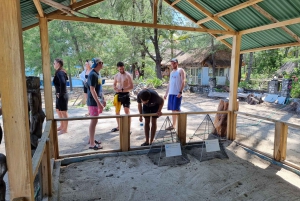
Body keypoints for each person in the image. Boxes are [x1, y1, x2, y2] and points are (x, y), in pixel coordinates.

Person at [87, 57, 106, 150]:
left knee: (95, 121)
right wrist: (98, 103)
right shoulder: (93, 74)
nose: (102, 64)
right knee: (93, 121)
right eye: (101, 62)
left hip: (97, 101)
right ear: (98, 64)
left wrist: (103, 99)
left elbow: (100, 88)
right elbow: (92, 89)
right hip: (93, 102)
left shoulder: (97, 74)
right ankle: (91, 144)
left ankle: (92, 139)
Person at [164, 58, 186, 130]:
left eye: (174, 63)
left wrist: (180, 92)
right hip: (171, 93)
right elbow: (170, 83)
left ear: (177, 63)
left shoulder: (180, 70)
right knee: (173, 110)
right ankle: (174, 125)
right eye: (171, 63)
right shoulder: (172, 72)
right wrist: (166, 93)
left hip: (177, 93)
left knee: (177, 109)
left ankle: (181, 124)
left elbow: (183, 81)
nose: (173, 64)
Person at [111, 61, 133, 132]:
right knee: (117, 112)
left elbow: (131, 86)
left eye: (122, 69)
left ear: (124, 67)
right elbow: (114, 84)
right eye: (120, 69)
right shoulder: (116, 75)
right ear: (118, 68)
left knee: (127, 111)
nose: (121, 70)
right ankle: (119, 127)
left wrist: (123, 89)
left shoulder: (128, 75)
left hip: (125, 94)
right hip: (118, 95)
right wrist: (115, 88)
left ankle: (128, 129)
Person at [53, 58, 69, 134]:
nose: (53, 65)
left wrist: (61, 93)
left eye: (54, 63)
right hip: (59, 95)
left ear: (58, 64)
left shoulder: (60, 73)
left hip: (62, 95)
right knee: (58, 110)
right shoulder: (59, 72)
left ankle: (65, 129)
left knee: (63, 112)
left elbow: (63, 83)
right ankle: (62, 126)